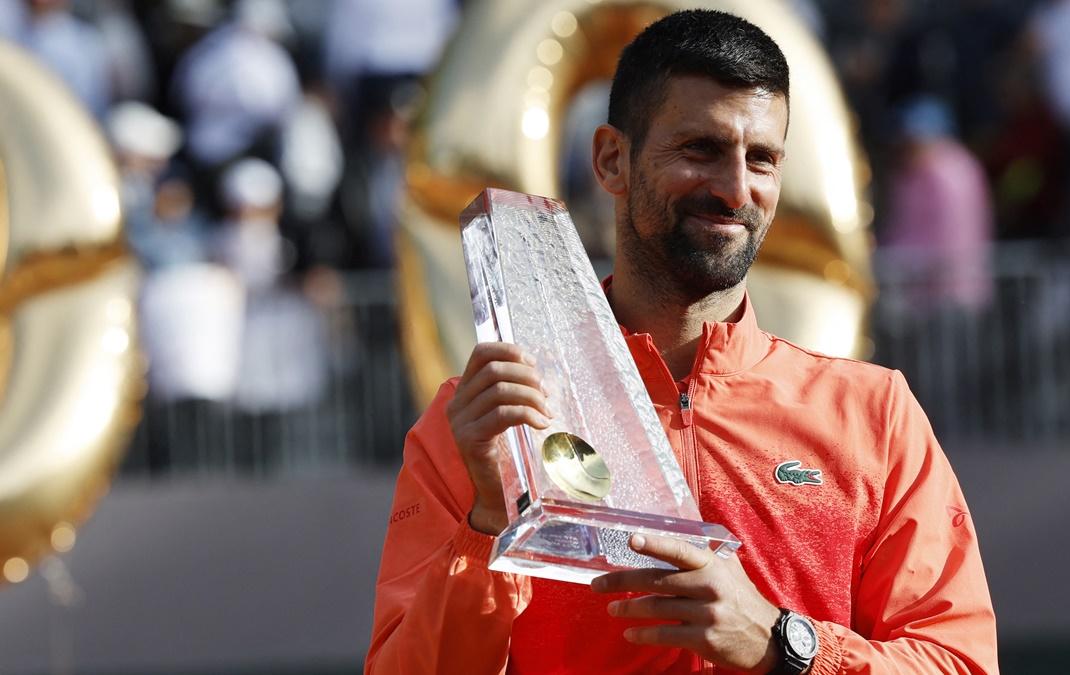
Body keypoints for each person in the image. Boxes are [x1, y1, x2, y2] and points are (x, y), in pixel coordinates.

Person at [367, 10, 997, 675]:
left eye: (761, 159)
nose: (734, 189)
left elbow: (960, 661)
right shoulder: (479, 426)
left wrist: (783, 645)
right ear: (613, 159)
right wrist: (488, 522)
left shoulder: (874, 415)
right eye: (700, 149)